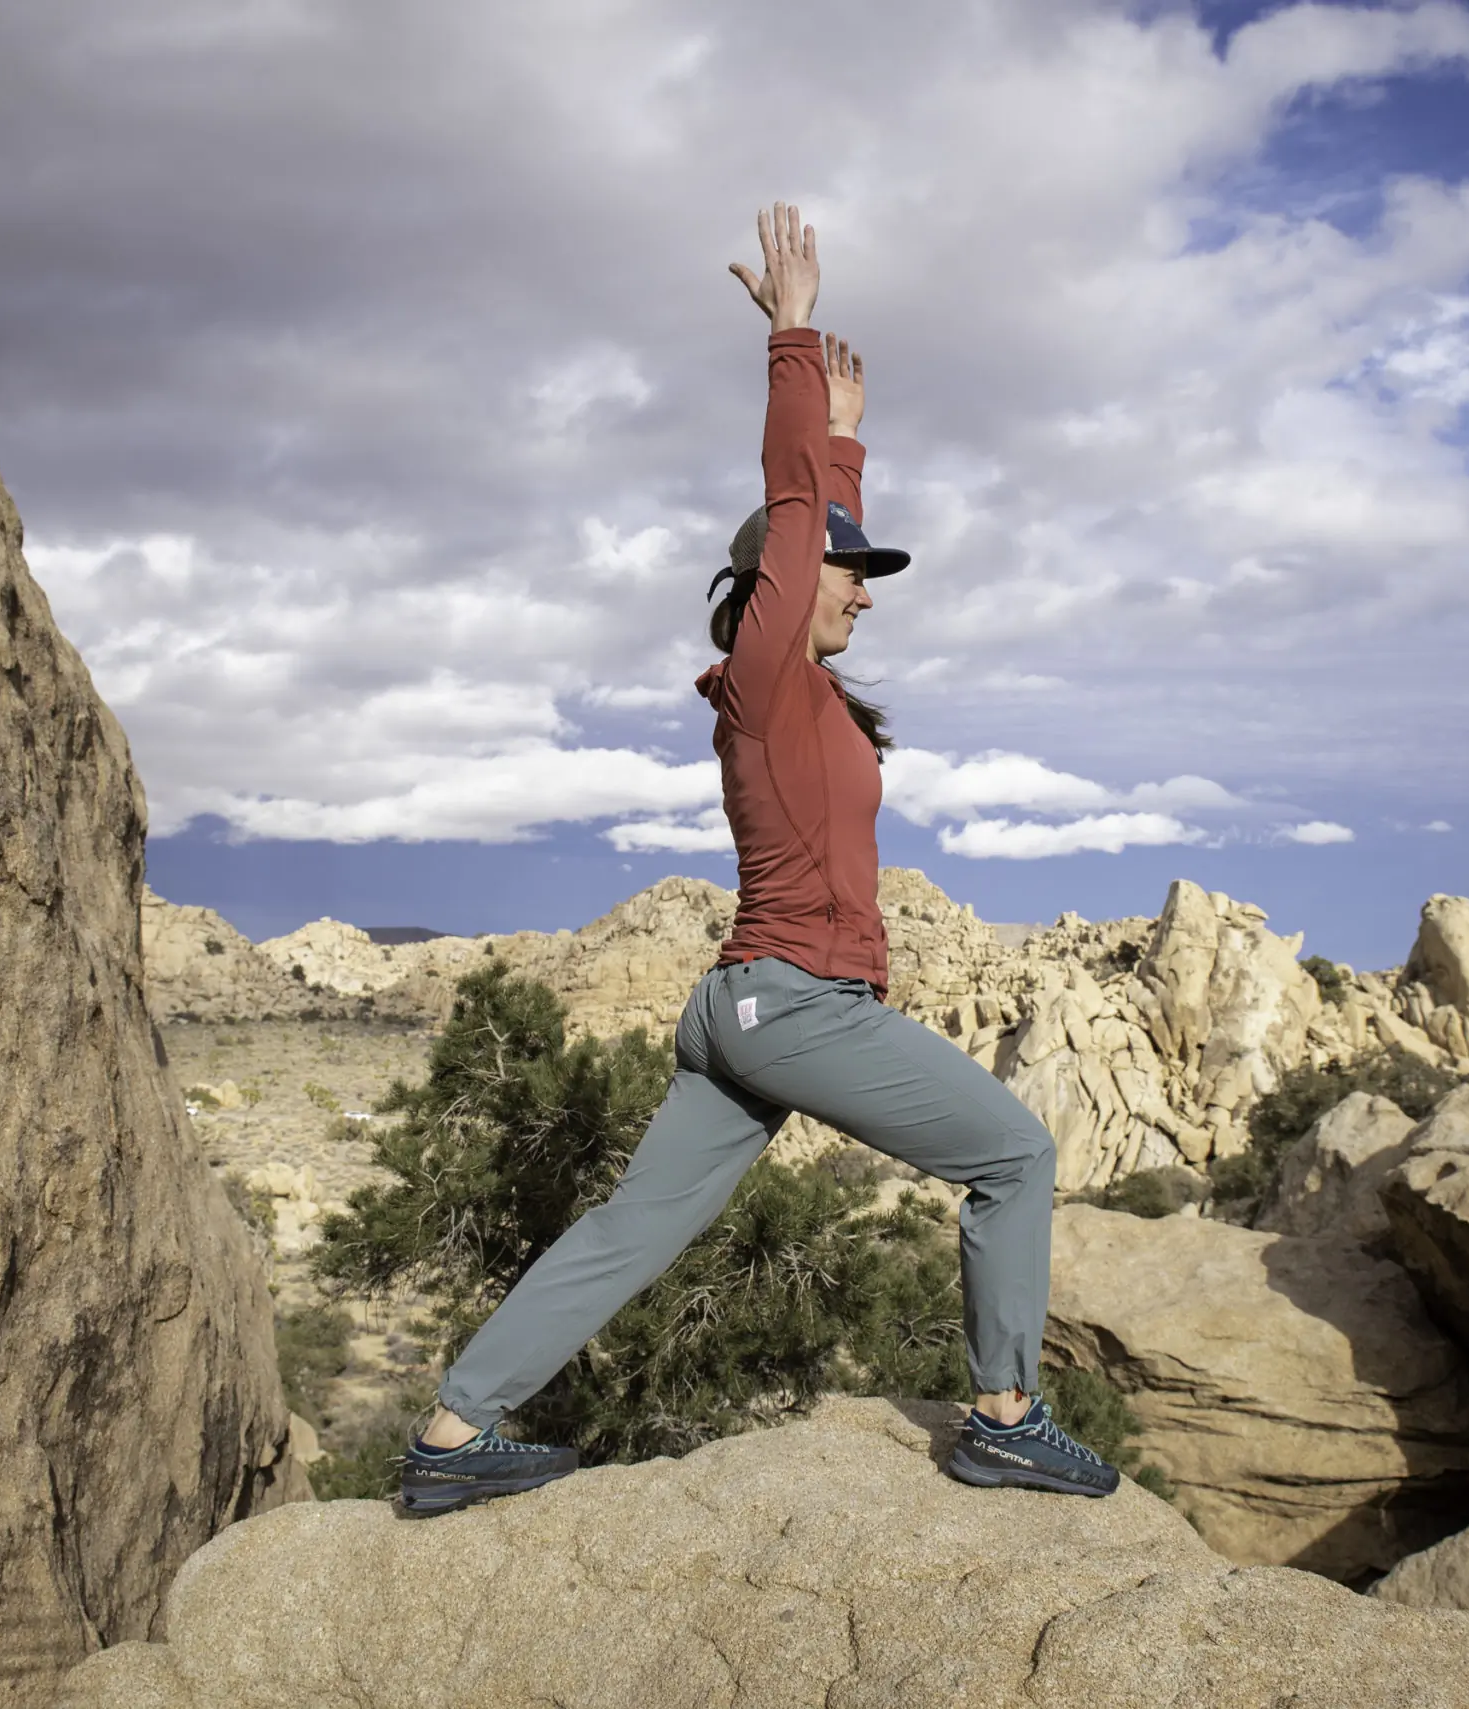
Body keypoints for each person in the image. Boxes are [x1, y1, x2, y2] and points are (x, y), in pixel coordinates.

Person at [398, 203, 1117, 1516]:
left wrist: (846, 437)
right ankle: (1007, 1416)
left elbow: (817, 509)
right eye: (850, 572)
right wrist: (790, 345)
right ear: (784, 587)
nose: (867, 587)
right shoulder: (770, 673)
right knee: (1014, 1157)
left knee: (635, 1226)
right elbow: (797, 514)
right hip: (792, 1001)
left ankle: (453, 1434)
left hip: (740, 1012)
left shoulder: (809, 695)